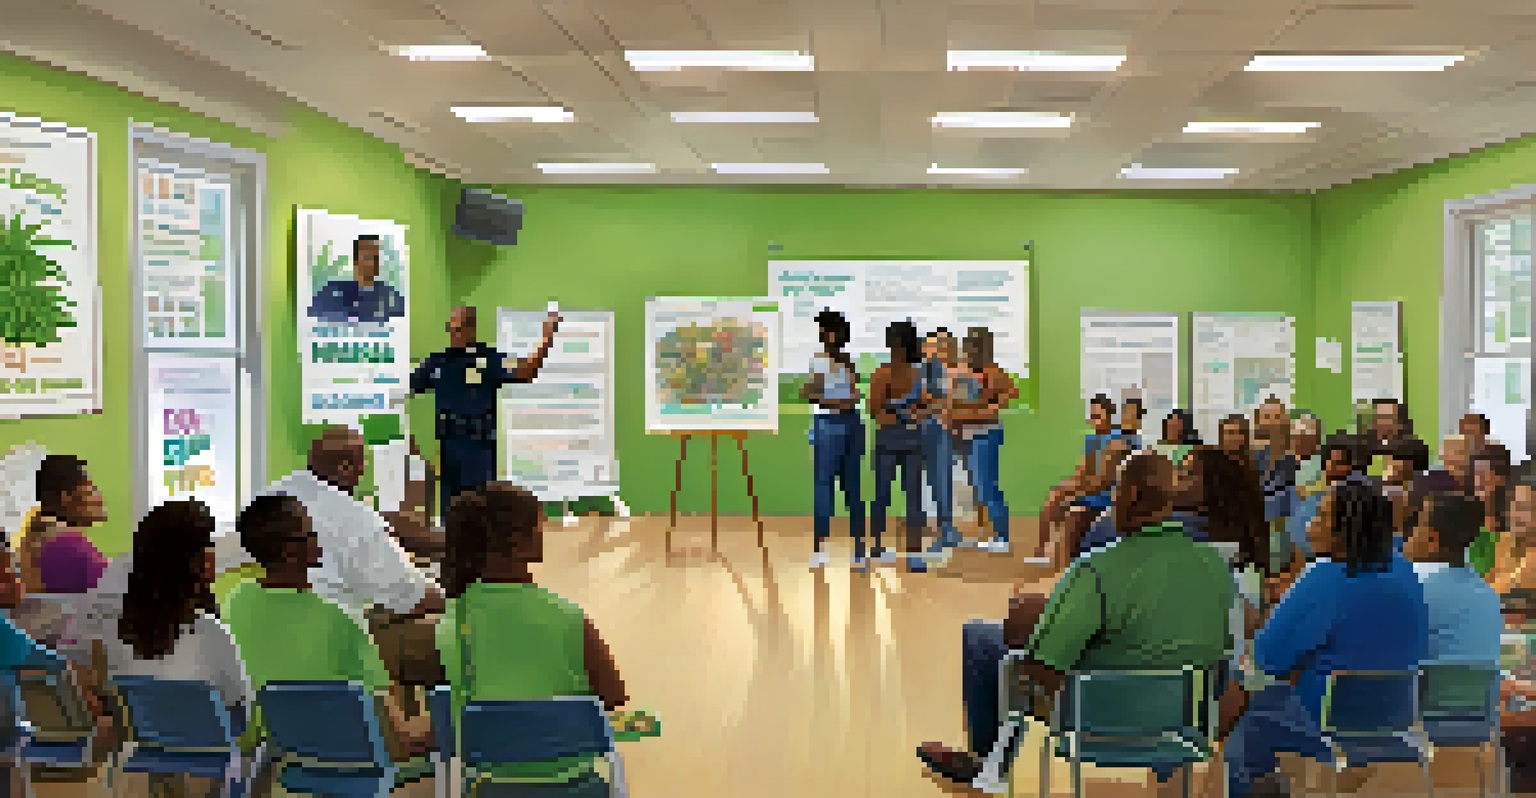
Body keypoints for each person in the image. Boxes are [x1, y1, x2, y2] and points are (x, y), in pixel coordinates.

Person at [917, 451, 1234, 794]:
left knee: (982, 639)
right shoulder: (1215, 565)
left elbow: (1041, 668)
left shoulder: (1095, 569)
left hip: (1098, 721)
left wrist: (1032, 617)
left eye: (1115, 491)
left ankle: (989, 766)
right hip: (1183, 722)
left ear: (1127, 499)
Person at [1224, 477, 1428, 798]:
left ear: (1343, 531)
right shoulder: (1404, 570)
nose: (1309, 524)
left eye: (1320, 516)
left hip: (1325, 723)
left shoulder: (1327, 574)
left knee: (1248, 721)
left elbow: (1268, 656)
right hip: (1395, 721)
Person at [436, 483, 629, 795]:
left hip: (491, 786)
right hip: (574, 785)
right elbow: (615, 696)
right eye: (540, 525)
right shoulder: (567, 617)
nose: (544, 533)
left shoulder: (452, 621)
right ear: (519, 540)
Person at [224, 494, 429, 764]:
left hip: (263, 751)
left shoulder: (235, 601)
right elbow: (394, 734)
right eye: (311, 532)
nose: (319, 538)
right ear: (290, 551)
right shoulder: (341, 620)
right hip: (347, 758)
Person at [70, 499, 254, 796]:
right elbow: (240, 711)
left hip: (141, 768)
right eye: (209, 544)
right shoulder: (209, 631)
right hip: (207, 773)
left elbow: (109, 693)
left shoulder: (115, 630)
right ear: (194, 561)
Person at [255, 426, 443, 624]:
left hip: (264, 625)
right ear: (346, 467)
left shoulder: (266, 499)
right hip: (329, 632)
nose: (364, 471)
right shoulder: (357, 520)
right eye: (363, 463)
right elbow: (414, 597)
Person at [408, 305, 560, 518]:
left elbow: (527, 372)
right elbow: (407, 385)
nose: (453, 335)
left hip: (478, 448)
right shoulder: (439, 361)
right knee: (450, 511)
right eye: (450, 329)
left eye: (458, 329)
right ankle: (449, 546)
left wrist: (546, 338)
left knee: (480, 508)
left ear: (471, 328)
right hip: (448, 448)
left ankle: (484, 548)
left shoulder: (489, 359)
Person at [1403, 491, 1503, 666]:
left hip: (1422, 692)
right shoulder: (1487, 593)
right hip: (1479, 692)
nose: (1407, 535)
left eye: (1415, 525)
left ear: (1432, 540)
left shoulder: (1414, 591)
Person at [803, 309, 867, 570]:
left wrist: (842, 401)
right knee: (825, 489)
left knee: (850, 489)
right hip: (830, 423)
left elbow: (855, 393)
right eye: (824, 331)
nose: (826, 335)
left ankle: (857, 551)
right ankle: (822, 550)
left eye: (830, 330)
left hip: (847, 423)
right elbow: (808, 392)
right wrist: (836, 402)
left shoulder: (849, 361)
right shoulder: (820, 361)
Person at [951, 328, 1018, 553]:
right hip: (962, 434)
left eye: (973, 346)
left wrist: (992, 406)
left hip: (985, 433)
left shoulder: (992, 371)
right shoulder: (961, 369)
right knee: (973, 489)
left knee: (986, 486)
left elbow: (1012, 392)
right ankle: (982, 533)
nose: (968, 350)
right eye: (967, 345)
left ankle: (1001, 536)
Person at [868, 320, 928, 572]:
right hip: (900, 440)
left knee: (899, 497)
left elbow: (875, 409)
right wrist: (908, 414)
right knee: (897, 497)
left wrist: (897, 412)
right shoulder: (914, 374)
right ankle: (890, 549)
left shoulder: (886, 373)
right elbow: (875, 409)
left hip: (899, 441)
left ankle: (896, 550)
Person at [18, 455, 107, 595]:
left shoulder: (37, 537)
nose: (100, 497)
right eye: (91, 490)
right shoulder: (67, 543)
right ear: (66, 497)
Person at [916, 329, 962, 559]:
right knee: (924, 483)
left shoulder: (942, 370)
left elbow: (943, 401)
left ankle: (946, 532)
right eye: (931, 345)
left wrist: (928, 405)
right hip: (922, 430)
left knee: (940, 482)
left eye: (938, 344)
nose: (934, 348)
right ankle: (935, 530)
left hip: (939, 430)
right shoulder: (921, 369)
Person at [307, 234, 406, 324]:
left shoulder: (390, 296)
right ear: (356, 262)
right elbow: (312, 318)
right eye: (368, 257)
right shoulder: (332, 291)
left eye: (376, 258)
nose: (372, 263)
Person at [1468, 444, 1513, 578]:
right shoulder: (1465, 516)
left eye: (1485, 473)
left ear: (1501, 478)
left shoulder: (1513, 520)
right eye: (1476, 473)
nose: (1479, 479)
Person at [1491, 479, 1536, 595]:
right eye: (1514, 505)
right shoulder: (1503, 541)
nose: (1516, 514)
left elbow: (1490, 593)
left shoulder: (1532, 561)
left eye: (1525, 508)